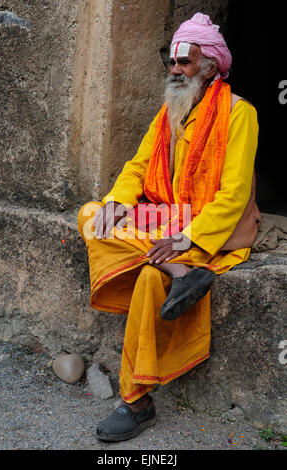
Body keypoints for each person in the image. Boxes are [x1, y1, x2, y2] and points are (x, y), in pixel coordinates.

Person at [77, 12, 260, 442]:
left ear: (212, 66)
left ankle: (136, 401)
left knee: (146, 277)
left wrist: (189, 236)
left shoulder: (240, 114)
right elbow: (137, 167)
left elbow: (233, 196)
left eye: (186, 61)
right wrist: (117, 202)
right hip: (167, 221)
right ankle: (182, 272)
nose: (175, 70)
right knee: (91, 215)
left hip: (209, 231)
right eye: (172, 61)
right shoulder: (170, 110)